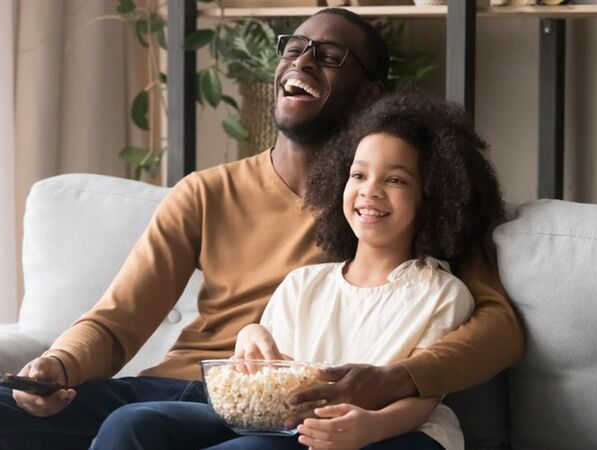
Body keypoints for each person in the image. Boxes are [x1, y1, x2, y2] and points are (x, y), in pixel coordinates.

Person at [0, 8, 524, 450]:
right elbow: (115, 321)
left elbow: (496, 328)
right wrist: (57, 364)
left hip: (288, 408)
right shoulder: (206, 192)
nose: (302, 60)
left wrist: (391, 381)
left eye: (330, 55)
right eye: (294, 46)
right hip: (176, 390)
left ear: (370, 96)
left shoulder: (405, 212)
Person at [102, 91, 504, 450]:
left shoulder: (441, 293)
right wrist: (251, 334)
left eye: (395, 179)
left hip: (392, 433)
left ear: (433, 198)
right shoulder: (304, 283)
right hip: (287, 424)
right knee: (132, 421)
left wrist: (369, 427)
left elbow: (422, 397)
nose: (370, 190)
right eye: (358, 175)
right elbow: (276, 373)